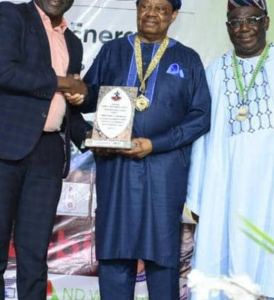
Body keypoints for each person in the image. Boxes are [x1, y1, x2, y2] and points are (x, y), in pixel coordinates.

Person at [187, 0, 274, 299]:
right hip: (228, 189)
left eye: (251, 20)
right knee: (228, 266)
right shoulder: (215, 71)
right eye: (235, 22)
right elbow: (202, 137)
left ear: (266, 22)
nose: (244, 28)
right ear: (227, 27)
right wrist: (198, 194)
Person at [82, 0, 211, 299]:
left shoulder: (187, 59)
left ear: (174, 15)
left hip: (164, 173)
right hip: (117, 170)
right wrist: (76, 96)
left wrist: (156, 144)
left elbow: (201, 117)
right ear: (138, 10)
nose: (151, 13)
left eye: (161, 8)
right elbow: (88, 98)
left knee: (162, 259)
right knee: (115, 255)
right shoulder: (112, 51)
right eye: (145, 6)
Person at [0, 1, 90, 299]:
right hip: (1, 146)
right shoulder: (10, 14)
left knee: (35, 252)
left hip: (48, 151)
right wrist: (63, 82)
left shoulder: (73, 42)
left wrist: (95, 138)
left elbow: (66, 108)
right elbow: (3, 71)